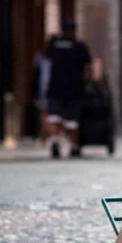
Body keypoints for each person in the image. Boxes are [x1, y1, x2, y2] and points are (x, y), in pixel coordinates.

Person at [45, 21, 92, 159]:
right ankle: (74, 146)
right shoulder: (79, 46)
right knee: (73, 120)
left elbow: (46, 57)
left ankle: (55, 142)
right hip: (74, 88)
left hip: (55, 87)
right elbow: (88, 67)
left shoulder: (54, 45)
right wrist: (89, 82)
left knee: (54, 117)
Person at [32, 36, 54, 141]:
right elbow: (36, 75)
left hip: (54, 89)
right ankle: (45, 134)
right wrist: (35, 92)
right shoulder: (39, 57)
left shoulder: (57, 57)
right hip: (43, 90)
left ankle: (50, 134)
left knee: (52, 114)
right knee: (44, 112)